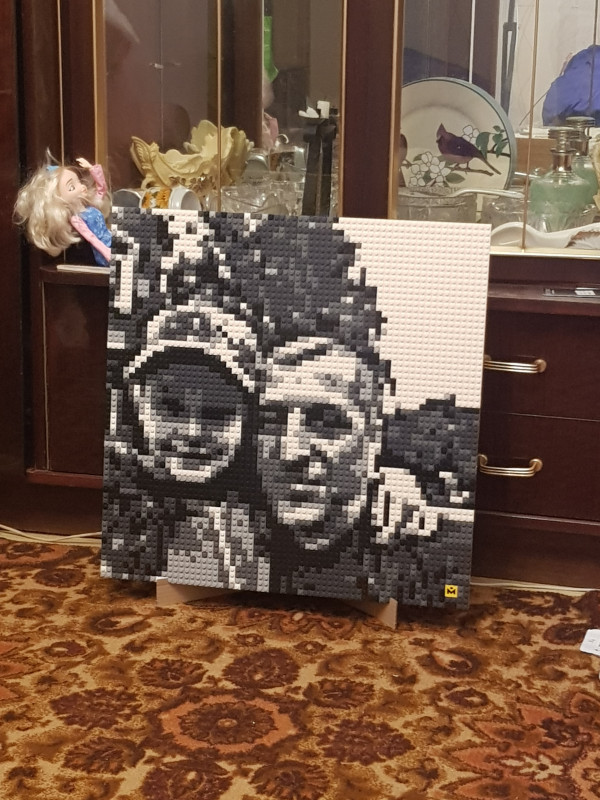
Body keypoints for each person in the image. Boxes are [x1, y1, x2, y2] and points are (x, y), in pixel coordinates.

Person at [256, 335, 388, 600]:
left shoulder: (418, 558)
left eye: (326, 422)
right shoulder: (232, 545)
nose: (290, 453)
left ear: (374, 442)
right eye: (272, 421)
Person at [14, 152, 111, 266]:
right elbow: (92, 238)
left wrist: (92, 169)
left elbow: (101, 189)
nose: (82, 187)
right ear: (58, 201)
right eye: (72, 187)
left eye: (79, 181)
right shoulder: (77, 220)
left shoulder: (89, 206)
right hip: (104, 251)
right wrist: (108, 253)